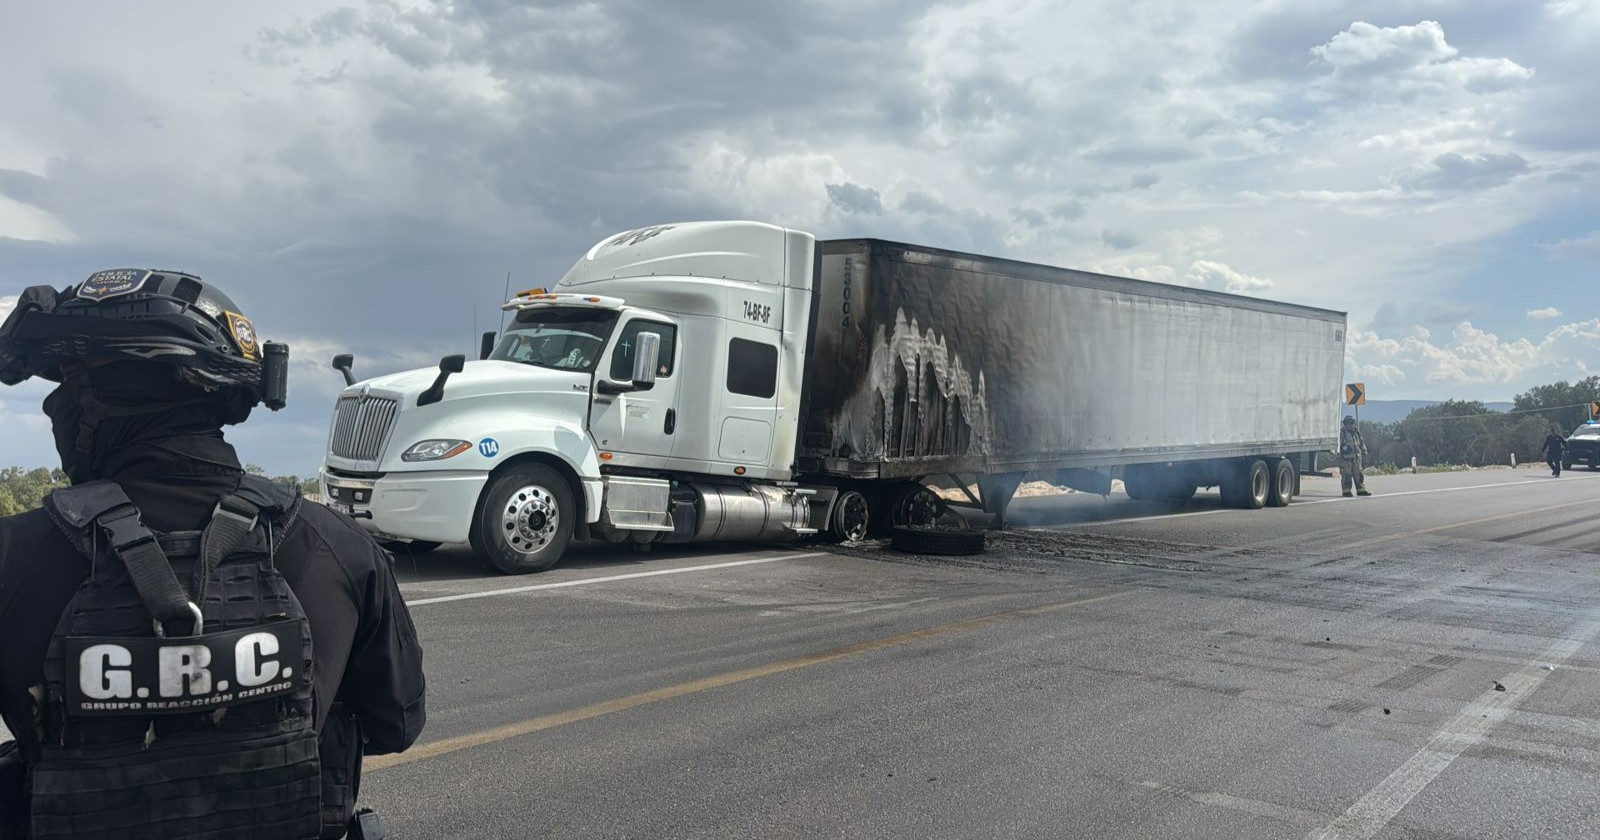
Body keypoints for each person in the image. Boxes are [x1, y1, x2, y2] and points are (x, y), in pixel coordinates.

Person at [0, 270, 425, 839]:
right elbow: (395, 723)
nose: (57, 404)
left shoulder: (11, 556)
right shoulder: (340, 548)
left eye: (70, 381)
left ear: (98, 397)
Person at [1339, 415, 1371, 498]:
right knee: (1346, 475)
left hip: (1356, 459)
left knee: (1358, 475)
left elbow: (1362, 443)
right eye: (1347, 423)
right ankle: (1346, 491)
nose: (1350, 425)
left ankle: (1361, 490)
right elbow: (1338, 446)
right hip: (1345, 459)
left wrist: (1364, 453)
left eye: (1351, 423)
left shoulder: (1357, 433)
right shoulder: (1342, 433)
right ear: (1344, 424)